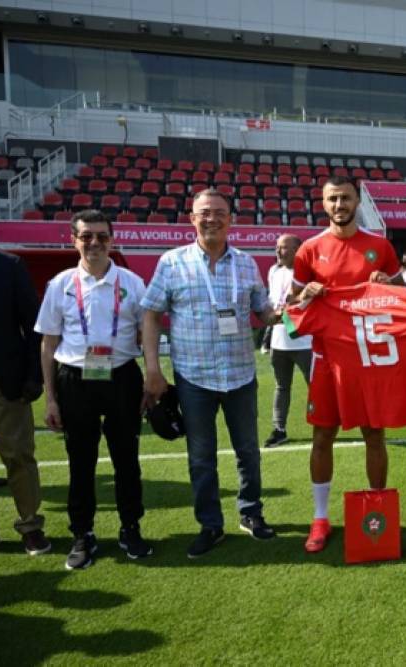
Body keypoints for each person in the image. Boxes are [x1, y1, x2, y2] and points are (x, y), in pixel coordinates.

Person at [141, 188, 283, 559]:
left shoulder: (247, 263)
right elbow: (152, 315)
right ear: (192, 218)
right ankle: (211, 524)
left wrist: (279, 313)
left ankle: (250, 512)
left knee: (248, 451)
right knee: (201, 455)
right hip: (194, 378)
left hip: (240, 375)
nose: (212, 219)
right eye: (205, 212)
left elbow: (262, 311)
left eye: (220, 212)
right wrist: (153, 368)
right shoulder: (171, 263)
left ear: (230, 219)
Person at [286, 175, 404, 554]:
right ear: (324, 203)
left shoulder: (380, 247)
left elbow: (403, 299)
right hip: (327, 360)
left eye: (346, 198)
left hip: (369, 361)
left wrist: (388, 284)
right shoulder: (309, 250)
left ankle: (377, 510)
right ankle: (320, 518)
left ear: (357, 201)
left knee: (374, 435)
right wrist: (305, 294)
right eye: (333, 199)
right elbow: (291, 312)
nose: (340, 205)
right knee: (322, 437)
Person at [35, 210, 150, 569]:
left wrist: (150, 377)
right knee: (80, 463)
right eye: (87, 236)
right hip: (75, 379)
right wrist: (51, 397)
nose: (95, 243)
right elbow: (48, 344)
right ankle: (82, 534)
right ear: (74, 240)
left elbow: (146, 336)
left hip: (121, 377)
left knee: (126, 460)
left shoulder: (132, 282)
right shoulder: (61, 284)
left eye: (102, 236)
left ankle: (130, 528)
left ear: (112, 240)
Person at [0, 206, 50, 561]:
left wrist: (34, 376)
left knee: (17, 453)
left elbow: (34, 327)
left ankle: (30, 526)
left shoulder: (6, 265)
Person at [264, 234, 311, 448]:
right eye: (276, 247)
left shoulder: (311, 273)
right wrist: (275, 311)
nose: (278, 252)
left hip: (306, 343)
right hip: (279, 342)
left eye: (283, 248)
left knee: (317, 387)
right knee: (281, 387)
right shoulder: (274, 272)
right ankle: (279, 429)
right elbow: (272, 302)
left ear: (297, 250)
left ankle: (325, 424)